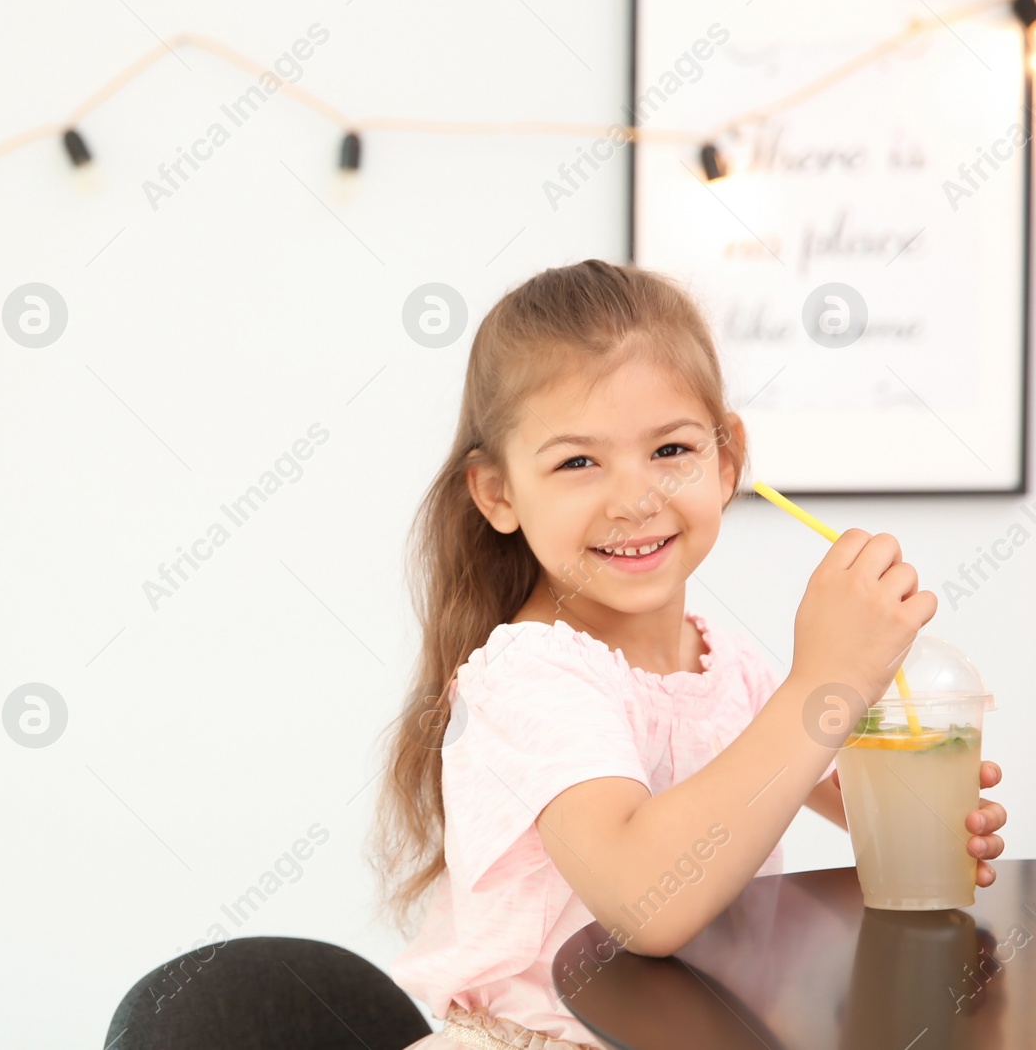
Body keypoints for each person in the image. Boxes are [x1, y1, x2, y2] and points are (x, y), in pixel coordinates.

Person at [367, 260, 1008, 1050]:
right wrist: (828, 679)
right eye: (577, 461)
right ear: (498, 492)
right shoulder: (527, 678)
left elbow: (850, 795)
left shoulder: (726, 662)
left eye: (671, 449)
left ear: (727, 457)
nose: (636, 497)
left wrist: (932, 812)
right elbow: (649, 902)